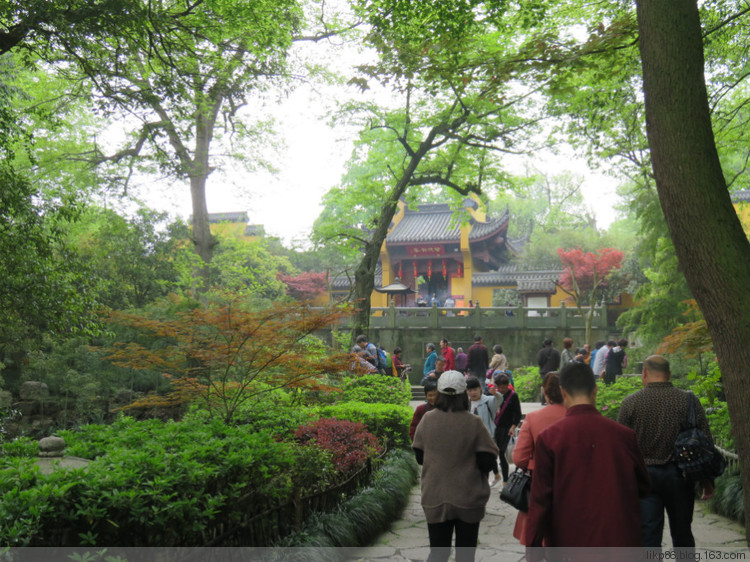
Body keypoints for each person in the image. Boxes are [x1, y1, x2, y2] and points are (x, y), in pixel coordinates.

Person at [524, 362, 650, 547]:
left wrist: (533, 545)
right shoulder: (624, 435)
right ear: (595, 390)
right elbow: (644, 486)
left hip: (568, 540)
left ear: (563, 392)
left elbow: (540, 500)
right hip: (618, 539)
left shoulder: (550, 438)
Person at [618, 355, 715, 548]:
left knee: (649, 535)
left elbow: (621, 447)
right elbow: (705, 442)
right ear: (669, 374)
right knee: (682, 533)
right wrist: (707, 480)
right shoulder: (688, 400)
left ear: (644, 373)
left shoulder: (631, 403)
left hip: (644, 477)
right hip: (680, 475)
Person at [412, 371, 499, 562]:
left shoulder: (427, 420)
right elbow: (488, 461)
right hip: (468, 497)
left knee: (438, 553)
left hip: (435, 496)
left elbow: (419, 457)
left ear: (440, 393)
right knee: (466, 556)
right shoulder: (474, 423)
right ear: (463, 394)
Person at [511, 372, 566, 546]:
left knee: (536, 537)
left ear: (544, 391)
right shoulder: (575, 416)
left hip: (538, 484)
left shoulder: (533, 418)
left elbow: (519, 458)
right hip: (570, 483)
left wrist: (534, 464)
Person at [466, 376, 501, 486]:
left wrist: (495, 393)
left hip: (487, 436)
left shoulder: (488, 401)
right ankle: (481, 481)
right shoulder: (466, 404)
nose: (473, 393)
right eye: (470, 390)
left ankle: (484, 482)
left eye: (475, 389)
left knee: (486, 458)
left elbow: (499, 400)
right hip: (472, 437)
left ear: (480, 388)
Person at [492, 372, 521, 485]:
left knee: (502, 453)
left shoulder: (513, 396)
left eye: (504, 387)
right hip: (495, 428)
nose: (502, 389)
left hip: (506, 429)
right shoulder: (494, 396)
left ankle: (505, 481)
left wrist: (513, 427)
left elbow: (518, 414)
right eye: (499, 387)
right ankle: (496, 475)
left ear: (508, 385)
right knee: (493, 453)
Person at [537, 339, 560, 405]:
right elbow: (558, 362)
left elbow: (539, 362)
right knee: (553, 385)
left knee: (544, 385)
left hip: (544, 371)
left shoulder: (541, 352)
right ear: (551, 343)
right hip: (553, 371)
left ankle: (543, 400)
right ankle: (551, 400)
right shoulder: (556, 352)